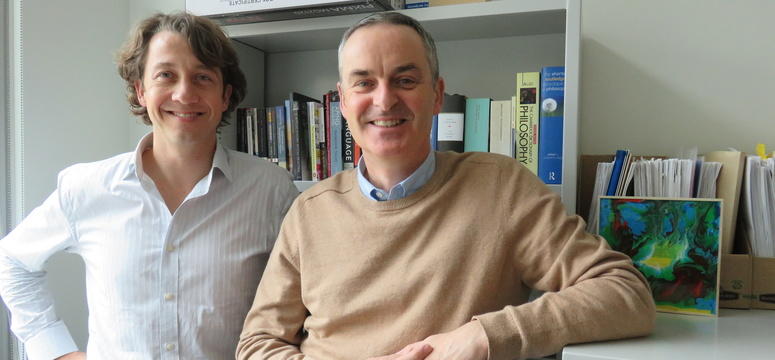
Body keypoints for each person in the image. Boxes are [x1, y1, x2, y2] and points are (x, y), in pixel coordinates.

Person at [236, 11, 655, 360]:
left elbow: (625, 295)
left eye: (405, 80)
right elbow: (256, 345)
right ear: (343, 102)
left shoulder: (501, 187)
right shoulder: (310, 210)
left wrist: (483, 337)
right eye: (364, 83)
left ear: (437, 95)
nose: (384, 101)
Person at [0, 12, 298, 360]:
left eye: (203, 77)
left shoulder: (270, 189)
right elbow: (13, 261)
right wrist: (55, 350)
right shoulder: (86, 187)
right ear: (141, 90)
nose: (184, 93)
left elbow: (307, 292)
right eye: (166, 75)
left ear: (225, 95)